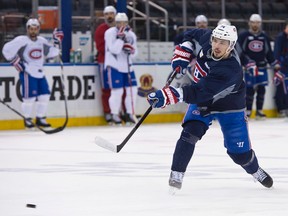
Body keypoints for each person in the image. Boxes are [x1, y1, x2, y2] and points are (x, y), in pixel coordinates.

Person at [147, 24, 273, 192]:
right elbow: (190, 34)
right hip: (204, 102)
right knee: (189, 133)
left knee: (239, 154)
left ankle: (254, 169)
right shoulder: (208, 40)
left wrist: (168, 96)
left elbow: (199, 92)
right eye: (215, 40)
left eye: (223, 42)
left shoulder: (230, 69)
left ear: (231, 45)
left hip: (230, 106)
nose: (217, 45)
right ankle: (176, 175)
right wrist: (184, 51)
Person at [2, 18, 63, 129]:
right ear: (27, 29)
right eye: (31, 29)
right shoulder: (21, 40)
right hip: (28, 73)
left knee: (44, 96)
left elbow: (52, 53)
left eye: (35, 28)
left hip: (40, 73)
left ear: (39, 29)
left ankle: (40, 118)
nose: (33, 31)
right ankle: (28, 120)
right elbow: (6, 50)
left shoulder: (42, 41)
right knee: (29, 98)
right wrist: (17, 64)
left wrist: (57, 42)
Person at [237, 14, 280, 119]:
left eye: (257, 22)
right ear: (249, 23)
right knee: (249, 90)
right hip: (249, 68)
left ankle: (259, 111)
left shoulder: (264, 36)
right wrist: (244, 63)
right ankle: (248, 111)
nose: (255, 24)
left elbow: (268, 52)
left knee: (262, 89)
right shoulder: (244, 36)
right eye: (253, 22)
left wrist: (274, 63)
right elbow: (240, 52)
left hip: (262, 66)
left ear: (260, 23)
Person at [104, 12, 138, 125]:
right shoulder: (109, 33)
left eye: (124, 22)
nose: (121, 24)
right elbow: (114, 49)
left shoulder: (131, 34)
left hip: (128, 66)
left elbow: (135, 52)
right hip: (114, 66)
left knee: (132, 90)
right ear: (115, 22)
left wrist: (130, 50)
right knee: (117, 91)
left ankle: (129, 114)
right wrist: (119, 39)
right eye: (119, 22)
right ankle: (115, 114)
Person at [95, 5, 117, 124]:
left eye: (111, 13)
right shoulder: (100, 29)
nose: (109, 16)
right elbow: (100, 47)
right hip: (104, 62)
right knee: (107, 89)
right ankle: (108, 112)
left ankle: (119, 112)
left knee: (120, 89)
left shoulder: (121, 28)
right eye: (107, 14)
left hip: (120, 63)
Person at [273, 21, 288, 117]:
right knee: (281, 88)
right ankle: (281, 108)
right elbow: (277, 53)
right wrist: (278, 64)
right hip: (281, 67)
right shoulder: (280, 37)